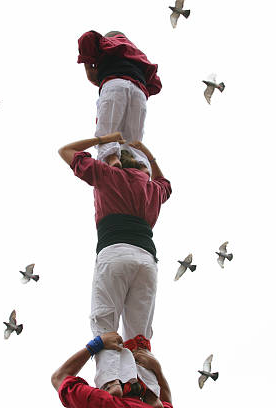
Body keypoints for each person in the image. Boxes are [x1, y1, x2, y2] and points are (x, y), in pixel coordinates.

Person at [58, 132, 171, 404]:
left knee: (104, 325)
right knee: (139, 334)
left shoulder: (108, 175)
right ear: (143, 168)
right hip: (146, 260)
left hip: (115, 253)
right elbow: (165, 184)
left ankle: (112, 382)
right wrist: (148, 154)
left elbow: (66, 151)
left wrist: (103, 139)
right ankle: (147, 389)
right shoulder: (151, 188)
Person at [77, 30, 161, 170]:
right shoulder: (139, 55)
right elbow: (155, 84)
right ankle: (141, 167)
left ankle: (112, 157)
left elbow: (87, 37)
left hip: (114, 85)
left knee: (107, 130)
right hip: (139, 93)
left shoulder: (107, 43)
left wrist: (88, 65)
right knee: (134, 140)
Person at [51, 332, 172, 408]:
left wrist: (97, 344)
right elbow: (167, 402)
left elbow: (59, 377)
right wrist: (158, 371)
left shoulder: (104, 403)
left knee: (104, 321)